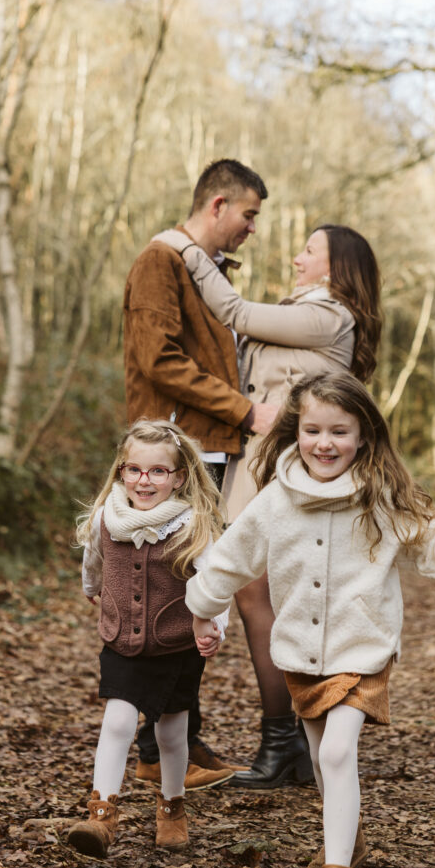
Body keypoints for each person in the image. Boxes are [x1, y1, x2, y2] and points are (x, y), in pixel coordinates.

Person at [185, 372, 435, 868]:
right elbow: (230, 558)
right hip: (301, 651)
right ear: (295, 433)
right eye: (313, 430)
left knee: (336, 755)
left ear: (363, 435)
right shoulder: (276, 499)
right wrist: (202, 608)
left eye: (340, 430)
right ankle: (349, 842)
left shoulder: (379, 494)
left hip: (363, 646)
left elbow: (429, 536)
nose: (325, 443)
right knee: (318, 756)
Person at [172, 224, 382, 788]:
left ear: (335, 268)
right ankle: (287, 740)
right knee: (259, 594)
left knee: (261, 593)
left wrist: (187, 248)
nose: (296, 257)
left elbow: (235, 312)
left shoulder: (330, 316)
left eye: (308, 250)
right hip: (258, 460)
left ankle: (289, 738)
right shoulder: (303, 312)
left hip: (289, 463)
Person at [123, 159, 279, 788]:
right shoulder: (161, 262)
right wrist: (246, 409)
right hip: (174, 450)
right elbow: (157, 360)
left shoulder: (208, 271)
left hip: (208, 448)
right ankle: (155, 747)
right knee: (175, 597)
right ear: (217, 205)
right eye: (248, 216)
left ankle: (171, 739)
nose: (250, 229)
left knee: (195, 594)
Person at [67, 419, 231, 859]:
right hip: (121, 641)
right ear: (121, 471)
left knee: (172, 734)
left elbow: (217, 582)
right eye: (135, 469)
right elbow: (94, 560)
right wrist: (92, 589)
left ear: (179, 477)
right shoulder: (107, 516)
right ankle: (101, 815)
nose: (145, 480)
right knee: (117, 722)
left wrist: (215, 626)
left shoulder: (193, 524)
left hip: (177, 645)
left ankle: (172, 807)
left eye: (158, 471)